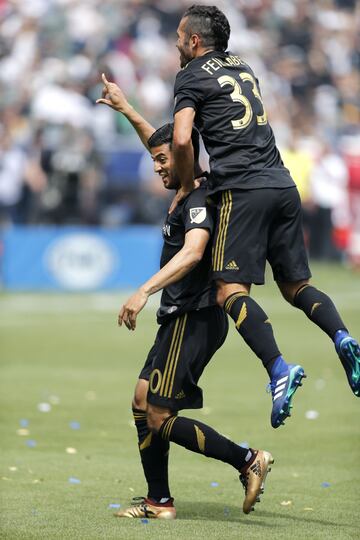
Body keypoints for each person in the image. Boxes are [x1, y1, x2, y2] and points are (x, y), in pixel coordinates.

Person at [171, 4, 360, 428]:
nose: (177, 45)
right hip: (283, 183)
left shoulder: (190, 75)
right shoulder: (243, 66)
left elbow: (182, 137)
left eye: (181, 37)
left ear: (195, 41)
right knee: (296, 286)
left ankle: (278, 369)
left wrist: (186, 185)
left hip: (244, 189)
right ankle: (343, 335)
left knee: (229, 290)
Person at [96, 77, 274, 518]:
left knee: (158, 415)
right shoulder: (181, 187)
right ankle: (159, 502)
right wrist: (126, 109)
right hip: (179, 317)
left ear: (182, 157)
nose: (156, 166)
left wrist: (143, 290)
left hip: (194, 317)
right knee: (142, 399)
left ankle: (247, 460)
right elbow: (159, 144)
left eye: (162, 160)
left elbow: (194, 252)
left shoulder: (199, 197)